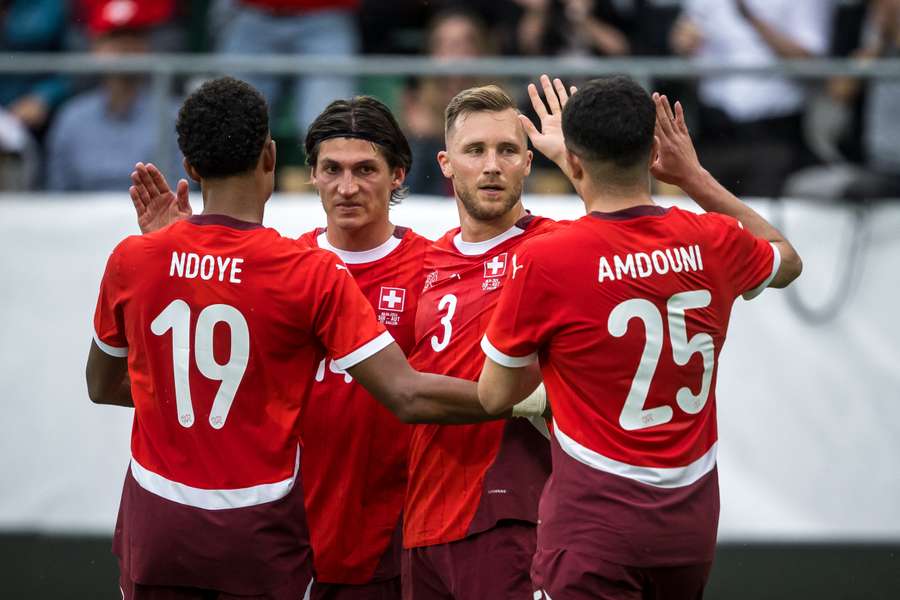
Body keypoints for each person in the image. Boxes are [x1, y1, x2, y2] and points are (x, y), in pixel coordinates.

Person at [86, 76, 510, 600]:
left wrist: (183, 251)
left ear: (398, 174)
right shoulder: (298, 269)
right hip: (282, 529)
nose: (347, 187)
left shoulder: (437, 269)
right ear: (295, 169)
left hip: (382, 536)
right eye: (331, 169)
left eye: (365, 170)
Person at [477, 76, 802, 598]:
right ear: (653, 151)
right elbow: (786, 259)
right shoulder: (713, 240)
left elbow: (493, 395)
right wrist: (694, 176)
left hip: (594, 529)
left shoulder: (545, 260)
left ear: (575, 161)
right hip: (689, 529)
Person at [401, 81, 562, 599]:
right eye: (476, 150)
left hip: (512, 513)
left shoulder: (557, 249)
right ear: (447, 163)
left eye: (507, 150)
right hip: (422, 521)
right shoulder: (423, 262)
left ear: (529, 163)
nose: (492, 165)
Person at [670, 0, 833, 197]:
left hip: (775, 133)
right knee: (708, 213)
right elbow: (686, 42)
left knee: (762, 216)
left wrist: (751, 17)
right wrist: (683, 45)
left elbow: (811, 62)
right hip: (716, 129)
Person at [46, 0, 181, 191]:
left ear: (147, 46)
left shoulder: (174, 116)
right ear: (95, 47)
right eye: (114, 37)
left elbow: (179, 195)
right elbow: (56, 195)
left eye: (134, 36)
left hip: (154, 220)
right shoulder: (71, 118)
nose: (125, 46)